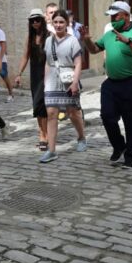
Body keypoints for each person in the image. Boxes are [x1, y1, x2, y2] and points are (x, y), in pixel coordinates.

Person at [80, 1, 132, 168]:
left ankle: (130, 156)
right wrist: (87, 39)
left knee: (131, 121)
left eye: (115, 15)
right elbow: (95, 49)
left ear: (126, 15)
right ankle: (119, 146)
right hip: (111, 83)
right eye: (110, 16)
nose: (112, 18)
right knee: (107, 116)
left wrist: (128, 42)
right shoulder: (110, 33)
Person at [39, 9, 85, 163]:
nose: (58, 25)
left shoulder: (73, 41)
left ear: (67, 24)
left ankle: (81, 137)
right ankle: (52, 150)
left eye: (61, 22)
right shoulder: (48, 41)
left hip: (68, 78)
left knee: (73, 113)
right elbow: (47, 62)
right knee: (51, 113)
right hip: (52, 80)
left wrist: (75, 82)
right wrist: (45, 82)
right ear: (52, 23)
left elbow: (78, 63)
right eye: (56, 22)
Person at [15, 9, 49, 151]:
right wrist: (19, 73)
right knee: (36, 104)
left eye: (38, 19)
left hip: (46, 74)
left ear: (42, 20)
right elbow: (25, 56)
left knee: (42, 104)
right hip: (34, 75)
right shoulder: (30, 37)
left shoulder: (49, 36)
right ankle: (42, 133)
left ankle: (44, 136)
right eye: (32, 20)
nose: (35, 22)